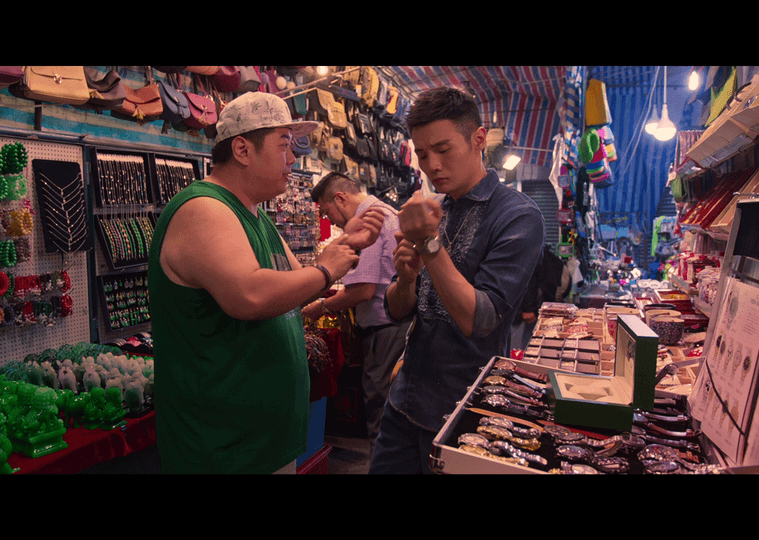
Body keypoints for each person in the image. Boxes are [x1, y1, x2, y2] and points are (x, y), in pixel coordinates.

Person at [147, 92, 386, 474]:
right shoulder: (204, 209)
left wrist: (346, 244)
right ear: (242, 149)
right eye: (283, 145)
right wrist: (326, 270)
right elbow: (250, 296)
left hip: (262, 442)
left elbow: (297, 284)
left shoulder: (254, 216)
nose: (293, 159)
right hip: (223, 449)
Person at [369, 87, 545, 474]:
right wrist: (406, 280)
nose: (432, 165)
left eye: (443, 149)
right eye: (422, 154)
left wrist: (430, 246)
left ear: (478, 139)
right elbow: (397, 311)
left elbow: (480, 321)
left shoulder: (518, 215)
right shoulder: (436, 208)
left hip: (464, 412)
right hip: (404, 402)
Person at [303, 172, 409, 457]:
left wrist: (320, 307)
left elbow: (362, 290)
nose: (330, 221)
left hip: (385, 329)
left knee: (380, 410)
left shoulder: (368, 220)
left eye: (327, 212)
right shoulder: (385, 211)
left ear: (340, 198)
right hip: (392, 326)